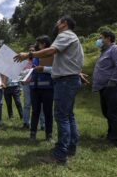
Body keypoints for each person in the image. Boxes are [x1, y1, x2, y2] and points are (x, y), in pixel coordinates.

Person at [14, 15, 84, 165]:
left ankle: (60, 155)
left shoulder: (65, 35)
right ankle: (70, 148)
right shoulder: (73, 38)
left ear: (64, 24)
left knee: (62, 116)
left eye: (57, 21)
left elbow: (51, 51)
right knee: (68, 115)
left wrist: (29, 54)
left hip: (64, 81)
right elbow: (70, 61)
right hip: (69, 79)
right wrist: (77, 73)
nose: (56, 23)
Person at [92, 31, 117, 148]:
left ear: (108, 38)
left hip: (115, 86)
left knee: (114, 113)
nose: (98, 40)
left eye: (101, 38)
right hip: (106, 88)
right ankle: (111, 135)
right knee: (108, 112)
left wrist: (111, 82)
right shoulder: (104, 52)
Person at [29, 35, 54, 142]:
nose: (37, 46)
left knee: (48, 112)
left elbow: (57, 69)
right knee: (35, 111)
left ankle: (48, 135)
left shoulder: (53, 55)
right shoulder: (36, 56)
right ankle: (32, 134)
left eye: (39, 43)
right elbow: (33, 69)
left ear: (44, 44)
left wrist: (43, 69)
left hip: (48, 88)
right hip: (34, 88)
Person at [21, 45, 45, 130]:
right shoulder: (24, 62)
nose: (31, 52)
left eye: (33, 50)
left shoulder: (39, 60)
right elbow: (20, 72)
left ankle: (43, 125)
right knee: (27, 104)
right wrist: (21, 79)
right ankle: (25, 123)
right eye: (29, 50)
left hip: (37, 84)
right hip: (27, 85)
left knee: (41, 105)